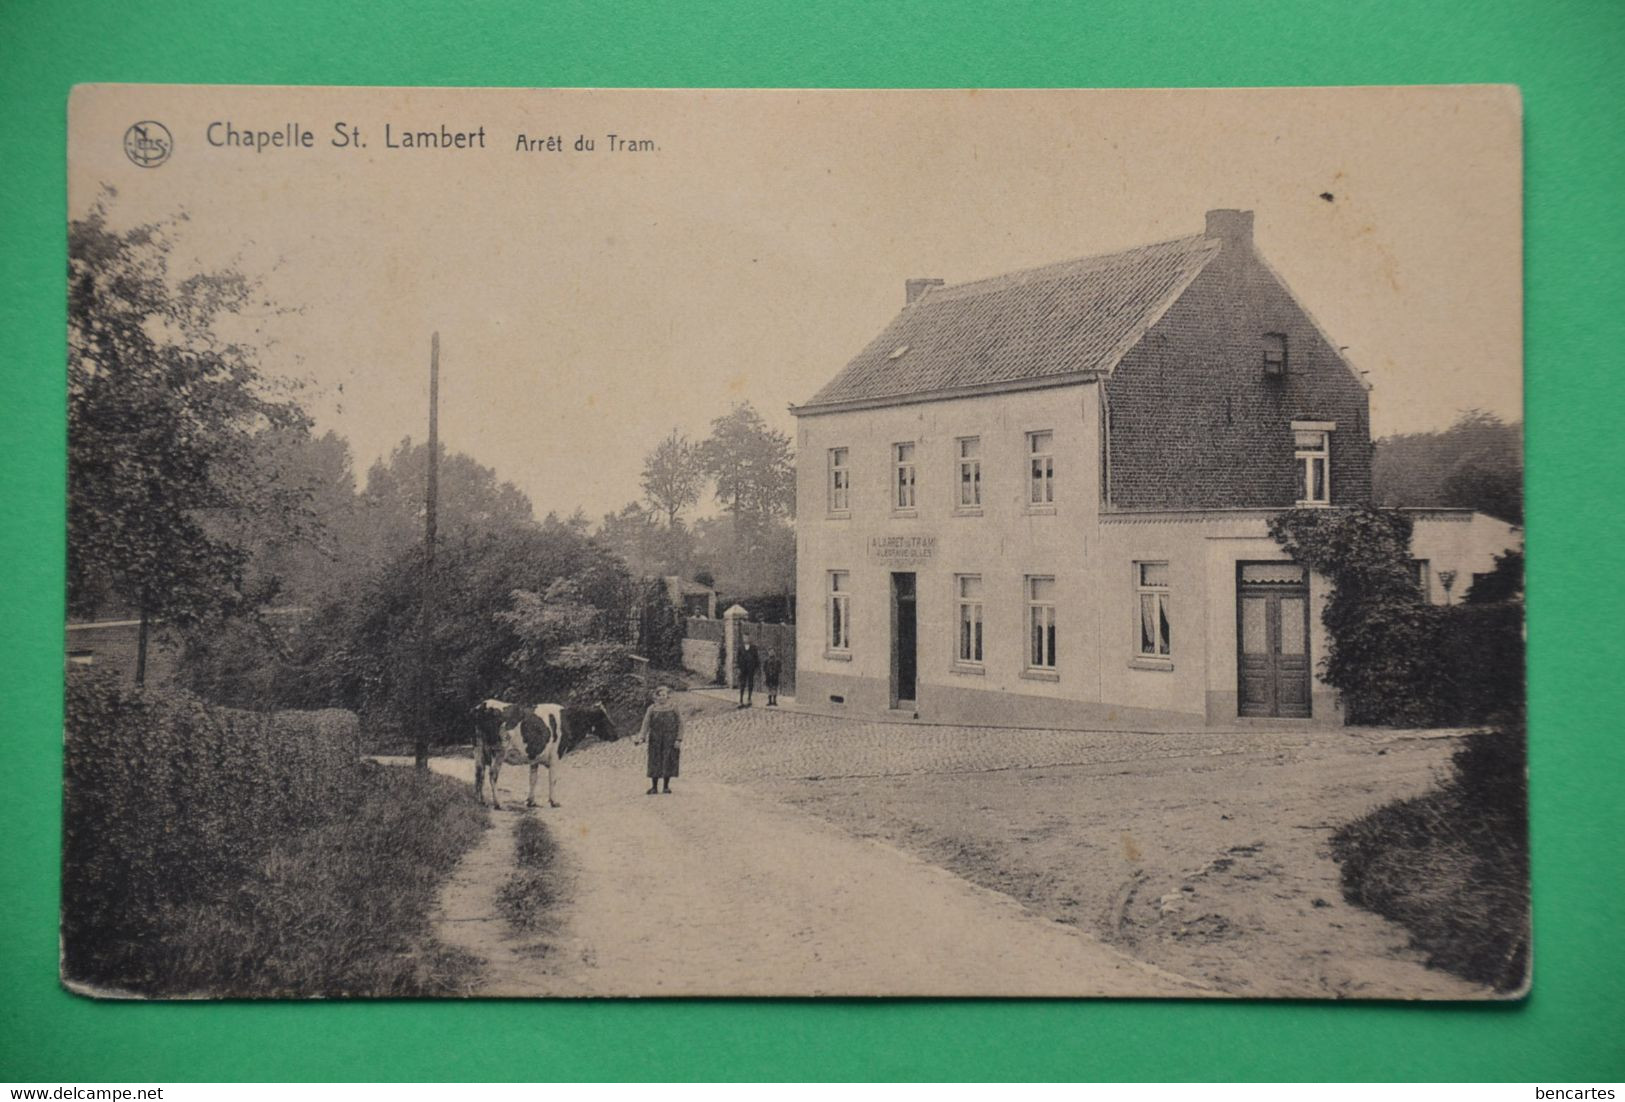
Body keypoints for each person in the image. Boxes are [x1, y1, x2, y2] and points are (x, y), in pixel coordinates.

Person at [634, 684, 682, 795]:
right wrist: (641, 738)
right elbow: (645, 724)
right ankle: (654, 787)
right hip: (655, 739)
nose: (662, 697)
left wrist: (678, 739)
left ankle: (666, 786)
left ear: (667, 696)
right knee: (654, 761)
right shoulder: (651, 709)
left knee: (668, 760)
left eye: (664, 695)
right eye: (659, 695)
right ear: (656, 697)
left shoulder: (674, 707)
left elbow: (680, 724)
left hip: (670, 739)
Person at [737, 634, 760, 708]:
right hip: (743, 669)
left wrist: (756, 668)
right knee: (742, 684)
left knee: (750, 683)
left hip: (751, 669)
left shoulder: (754, 648)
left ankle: (749, 699)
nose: (746, 639)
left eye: (747, 638)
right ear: (743, 639)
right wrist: (739, 667)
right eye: (744, 638)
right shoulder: (740, 648)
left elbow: (756, 658)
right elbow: (738, 658)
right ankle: (741, 700)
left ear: (750, 639)